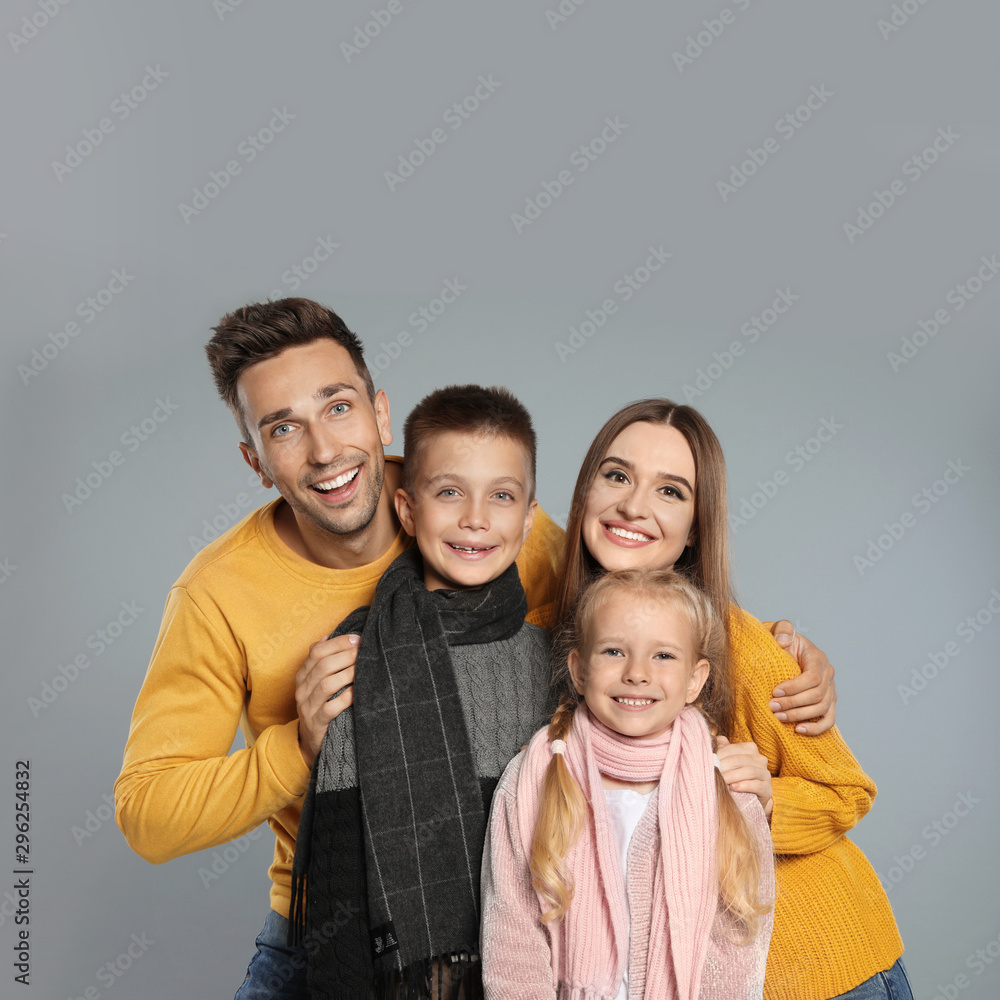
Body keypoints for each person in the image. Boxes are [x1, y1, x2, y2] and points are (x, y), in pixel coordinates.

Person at [112, 300, 565, 999]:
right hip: (324, 933)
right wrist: (298, 747)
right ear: (255, 461)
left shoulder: (478, 518)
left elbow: (654, 630)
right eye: (283, 429)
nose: (324, 451)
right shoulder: (216, 593)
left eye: (338, 407)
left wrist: (787, 659)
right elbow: (149, 814)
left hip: (515, 927)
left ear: (381, 415)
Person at [540, 399, 910, 1000]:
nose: (633, 505)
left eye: (671, 492)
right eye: (617, 476)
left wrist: (760, 804)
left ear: (696, 528)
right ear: (584, 492)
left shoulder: (739, 645)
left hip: (821, 967)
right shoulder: (544, 632)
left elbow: (848, 790)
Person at [291, 383, 560, 998]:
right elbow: (341, 880)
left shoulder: (558, 663)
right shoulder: (362, 658)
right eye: (449, 493)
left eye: (501, 496)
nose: (475, 518)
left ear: (529, 517)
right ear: (408, 511)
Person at [481, 568, 775, 999]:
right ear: (579, 670)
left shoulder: (727, 794)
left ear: (696, 680)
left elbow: (737, 955)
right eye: (614, 651)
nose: (637, 673)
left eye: (664, 656)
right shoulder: (533, 779)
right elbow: (513, 943)